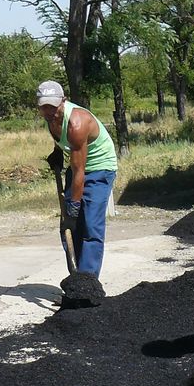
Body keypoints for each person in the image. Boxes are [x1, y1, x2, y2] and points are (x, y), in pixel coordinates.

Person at [37, 81, 118, 279]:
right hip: (78, 167)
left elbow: (79, 170)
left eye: (53, 107)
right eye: (44, 107)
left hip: (99, 169)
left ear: (63, 101)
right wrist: (57, 152)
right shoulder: (50, 119)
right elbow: (64, 146)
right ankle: (76, 279)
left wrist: (74, 205)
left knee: (90, 225)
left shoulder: (77, 123)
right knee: (69, 227)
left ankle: (88, 284)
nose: (49, 112)